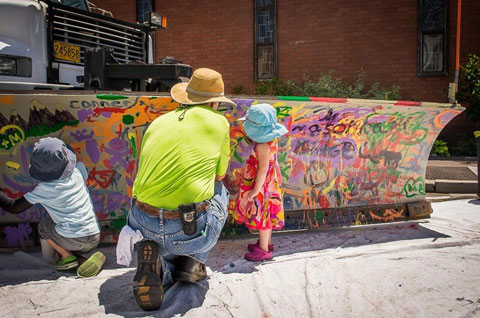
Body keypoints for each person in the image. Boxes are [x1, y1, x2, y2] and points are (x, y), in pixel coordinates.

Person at [128, 68, 235, 311]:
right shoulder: (219, 122)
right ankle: (193, 262)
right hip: (188, 229)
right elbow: (219, 174)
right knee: (220, 189)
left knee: (161, 213)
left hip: (141, 221)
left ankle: (159, 262)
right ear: (216, 102)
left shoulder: (157, 122)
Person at [0, 137, 106, 277]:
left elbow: (14, 207)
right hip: (93, 236)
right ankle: (81, 259)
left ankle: (66, 255)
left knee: (44, 227)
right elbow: (80, 160)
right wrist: (67, 149)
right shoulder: (77, 173)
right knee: (62, 228)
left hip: (73, 240)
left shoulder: (43, 189)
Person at [232, 103, 288, 261]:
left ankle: (264, 250)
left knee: (262, 215)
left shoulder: (262, 145)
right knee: (267, 214)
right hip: (270, 183)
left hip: (262, 185)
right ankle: (267, 243)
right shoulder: (272, 140)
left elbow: (263, 169)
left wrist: (256, 190)